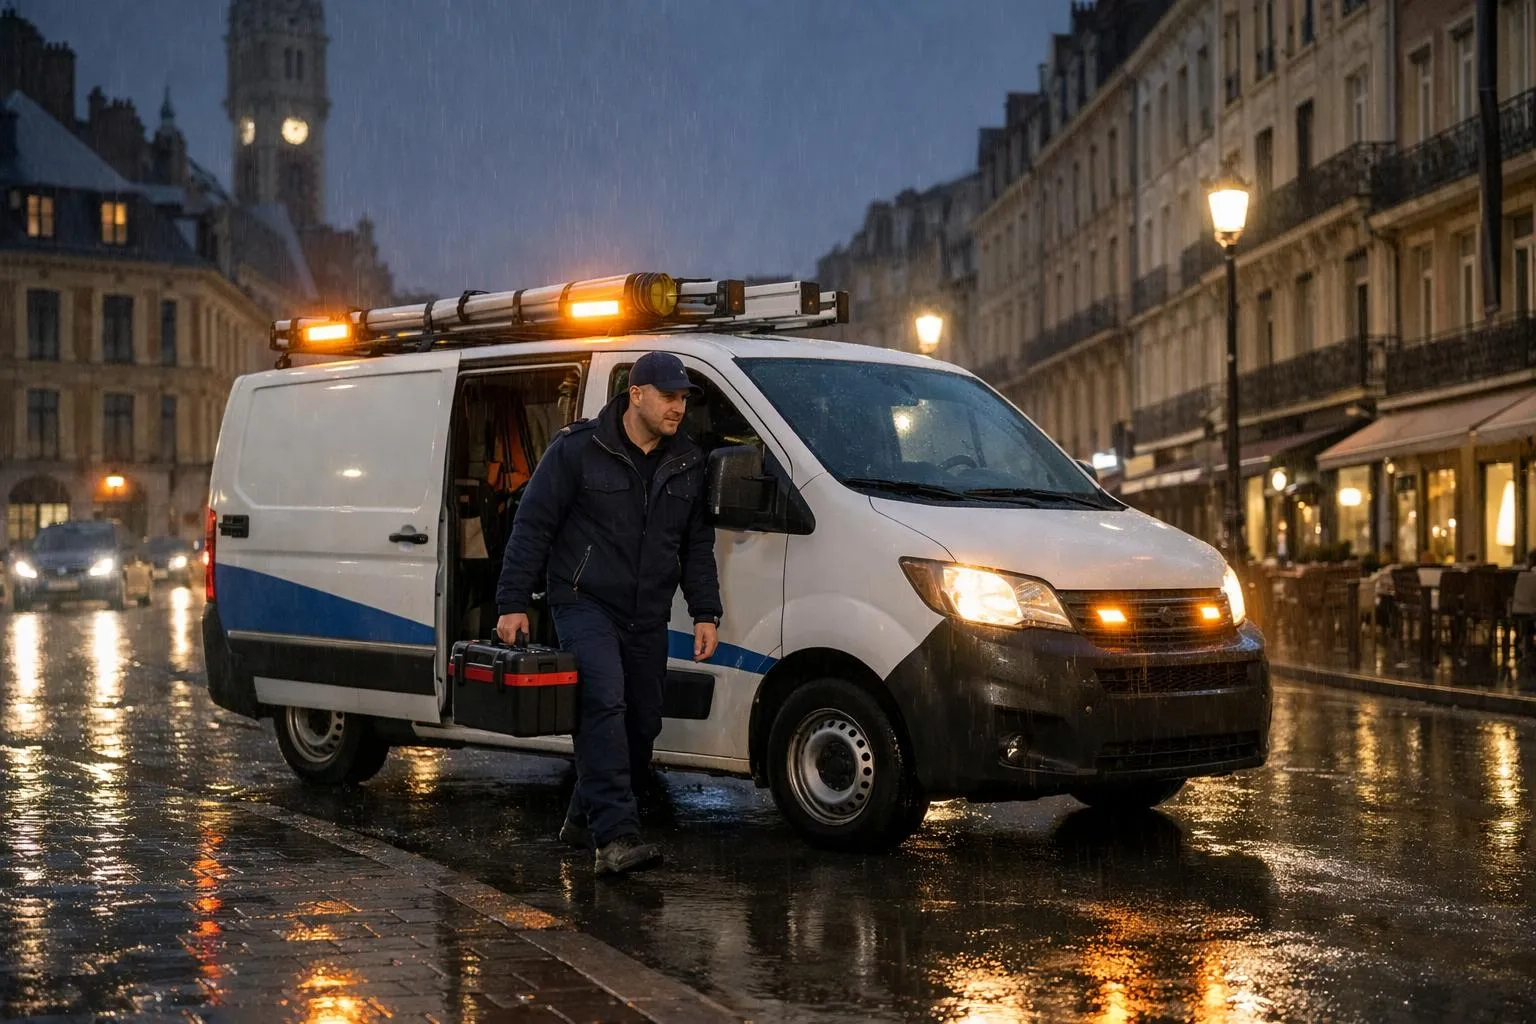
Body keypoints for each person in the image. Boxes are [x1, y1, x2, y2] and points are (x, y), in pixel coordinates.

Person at [495, 351, 722, 876]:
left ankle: (582, 818)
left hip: (647, 612)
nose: (678, 408)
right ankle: (615, 838)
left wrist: (705, 610)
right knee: (603, 703)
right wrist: (512, 602)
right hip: (583, 600)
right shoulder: (578, 449)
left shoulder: (688, 458)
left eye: (684, 398)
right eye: (668, 396)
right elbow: (533, 526)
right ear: (636, 394)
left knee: (642, 724)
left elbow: (696, 544)